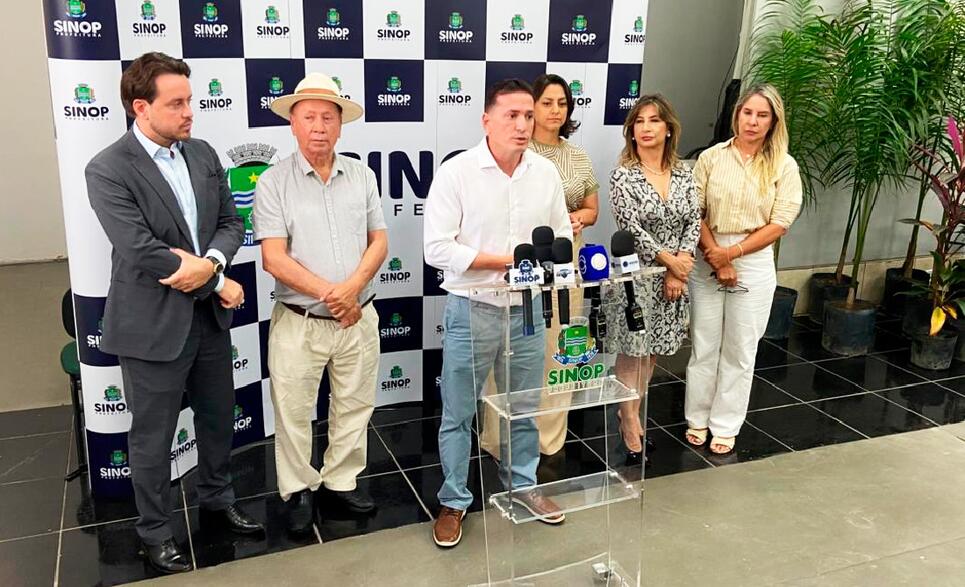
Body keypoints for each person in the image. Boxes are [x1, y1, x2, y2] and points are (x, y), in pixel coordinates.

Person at [85, 52, 263, 574]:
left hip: (207, 322)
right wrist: (220, 282)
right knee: (152, 437)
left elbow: (231, 222)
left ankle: (217, 499)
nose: (190, 112)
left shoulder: (202, 153)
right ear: (141, 107)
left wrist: (210, 265)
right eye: (176, 103)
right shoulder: (108, 168)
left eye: (190, 100)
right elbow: (141, 250)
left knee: (217, 419)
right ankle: (155, 532)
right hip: (151, 327)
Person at [424, 79, 573, 548]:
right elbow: (436, 248)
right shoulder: (457, 173)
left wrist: (546, 266)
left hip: (528, 310)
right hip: (473, 308)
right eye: (512, 115)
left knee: (524, 405)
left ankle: (523, 485)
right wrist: (504, 261)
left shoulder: (545, 174)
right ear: (486, 120)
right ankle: (454, 500)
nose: (523, 124)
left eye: (528, 115)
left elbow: (562, 237)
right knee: (459, 412)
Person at [253, 73, 388, 534]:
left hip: (358, 317)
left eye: (328, 117)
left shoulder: (362, 175)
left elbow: (378, 241)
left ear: (340, 124)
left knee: (354, 403)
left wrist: (353, 291)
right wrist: (335, 295)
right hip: (301, 319)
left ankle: (341, 482)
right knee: (293, 410)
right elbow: (274, 257)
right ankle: (297, 489)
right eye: (309, 117)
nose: (319, 127)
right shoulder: (272, 182)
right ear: (292, 123)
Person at [479, 73, 600, 457]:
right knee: (508, 354)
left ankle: (548, 442)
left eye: (562, 103)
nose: (554, 111)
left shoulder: (578, 156)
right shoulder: (514, 149)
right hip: (519, 263)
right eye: (546, 103)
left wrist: (578, 217)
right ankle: (500, 440)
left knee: (558, 352)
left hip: (565, 263)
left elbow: (592, 209)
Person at [685, 83, 802, 455]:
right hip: (707, 252)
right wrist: (715, 254)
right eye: (747, 113)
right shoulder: (711, 157)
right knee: (704, 345)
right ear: (736, 115)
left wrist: (731, 254)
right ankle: (697, 418)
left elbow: (780, 223)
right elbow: (694, 211)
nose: (753, 121)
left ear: (773, 121)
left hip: (752, 259)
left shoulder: (784, 165)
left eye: (762, 115)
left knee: (740, 349)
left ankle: (725, 425)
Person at [606, 95, 700, 460]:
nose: (646, 128)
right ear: (631, 131)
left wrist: (681, 264)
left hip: (675, 276)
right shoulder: (623, 175)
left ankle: (632, 405)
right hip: (638, 276)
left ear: (668, 129)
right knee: (634, 350)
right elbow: (630, 228)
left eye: (654, 120)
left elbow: (694, 221)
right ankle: (629, 417)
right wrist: (670, 264)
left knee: (655, 349)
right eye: (639, 121)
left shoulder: (684, 173)